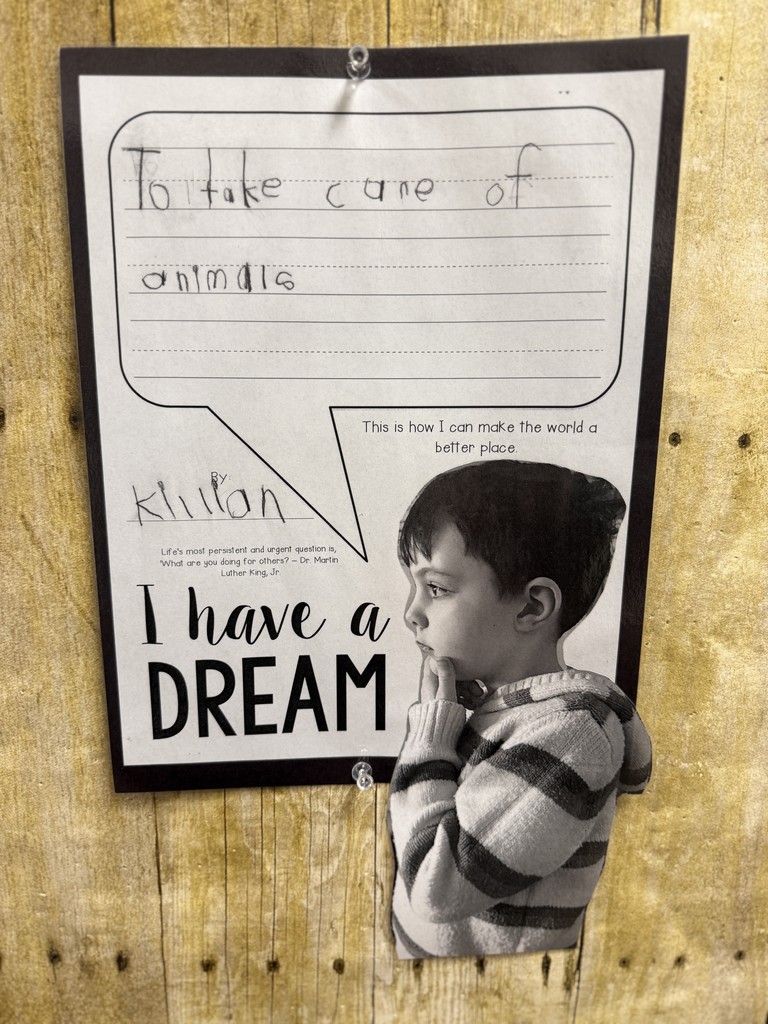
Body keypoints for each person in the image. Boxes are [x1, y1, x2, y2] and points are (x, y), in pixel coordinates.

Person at [387, 459, 652, 959]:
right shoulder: (517, 714)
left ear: (531, 608)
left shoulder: (574, 736)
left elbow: (436, 887)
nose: (411, 613)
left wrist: (432, 740)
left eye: (437, 588)